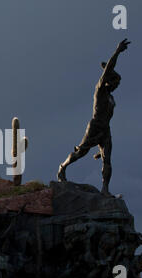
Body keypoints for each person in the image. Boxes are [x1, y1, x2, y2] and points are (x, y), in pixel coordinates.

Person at [57, 39, 131, 196]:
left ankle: (105, 190)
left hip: (105, 129)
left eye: (118, 84)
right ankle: (62, 167)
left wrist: (101, 146)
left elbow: (115, 75)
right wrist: (117, 52)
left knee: (107, 160)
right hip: (95, 126)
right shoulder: (100, 90)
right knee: (80, 153)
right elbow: (110, 70)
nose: (117, 86)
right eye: (115, 83)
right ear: (108, 82)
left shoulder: (111, 98)